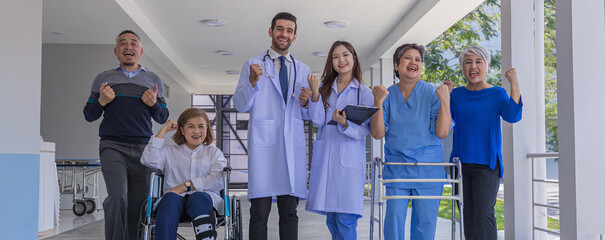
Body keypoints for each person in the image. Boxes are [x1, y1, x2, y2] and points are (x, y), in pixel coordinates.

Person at [232, 12, 312, 240]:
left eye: (289, 30)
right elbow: (240, 104)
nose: (283, 34)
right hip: (265, 149)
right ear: (271, 32)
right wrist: (252, 83)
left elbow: (306, 114)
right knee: (259, 214)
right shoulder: (253, 64)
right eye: (279, 29)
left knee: (289, 213)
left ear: (295, 36)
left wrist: (307, 102)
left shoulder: (303, 70)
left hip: (291, 148)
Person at [83, 30, 169, 240]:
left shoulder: (153, 79)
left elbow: (163, 116)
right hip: (112, 146)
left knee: (139, 202)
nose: (128, 47)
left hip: (142, 149)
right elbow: (89, 115)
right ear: (116, 50)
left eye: (133, 43)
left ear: (140, 51)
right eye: (123, 43)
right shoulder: (103, 79)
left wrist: (153, 104)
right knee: (118, 197)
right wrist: (101, 101)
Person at [370, 43, 453, 240]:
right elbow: (377, 133)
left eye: (418, 59)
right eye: (408, 58)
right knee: (393, 219)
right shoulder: (387, 95)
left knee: (425, 224)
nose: (413, 62)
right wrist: (378, 103)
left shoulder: (433, 93)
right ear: (397, 65)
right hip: (397, 169)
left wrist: (445, 101)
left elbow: (442, 132)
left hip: (428, 169)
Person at [447, 45, 522, 240]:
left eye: (478, 61)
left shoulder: (496, 93)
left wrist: (514, 83)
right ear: (462, 68)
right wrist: (445, 97)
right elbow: (444, 125)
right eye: (468, 62)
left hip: (487, 165)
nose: (473, 66)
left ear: (487, 66)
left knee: (484, 214)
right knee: (468, 217)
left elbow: (513, 116)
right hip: (460, 165)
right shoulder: (456, 95)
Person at [301, 41, 373, 240]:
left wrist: (344, 123)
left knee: (345, 219)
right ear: (330, 62)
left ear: (354, 58)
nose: (341, 60)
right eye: (335, 57)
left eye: (345, 55)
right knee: (332, 219)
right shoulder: (324, 88)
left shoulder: (364, 93)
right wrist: (314, 94)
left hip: (349, 163)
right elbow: (317, 120)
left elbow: (363, 130)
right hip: (327, 161)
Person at [141, 108, 227, 240]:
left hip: (204, 203)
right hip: (174, 203)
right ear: (182, 130)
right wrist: (163, 131)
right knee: (169, 199)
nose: (196, 131)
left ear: (207, 129)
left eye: (201, 126)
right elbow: (148, 160)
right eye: (191, 126)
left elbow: (217, 181)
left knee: (198, 197)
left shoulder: (214, 153)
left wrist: (185, 186)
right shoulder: (169, 151)